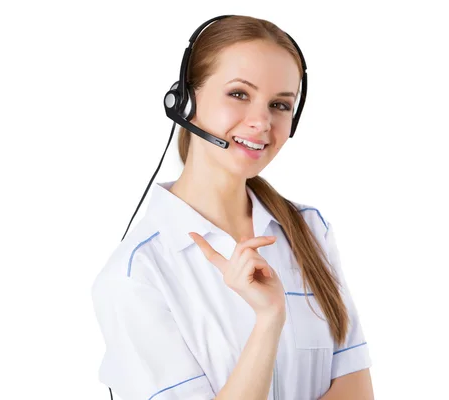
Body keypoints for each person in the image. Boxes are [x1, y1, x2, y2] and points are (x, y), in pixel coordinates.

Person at [91, 15, 373, 400]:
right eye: (239, 94)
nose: (261, 122)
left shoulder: (309, 229)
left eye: (279, 105)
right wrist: (269, 321)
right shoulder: (135, 276)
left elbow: (356, 390)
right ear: (185, 100)